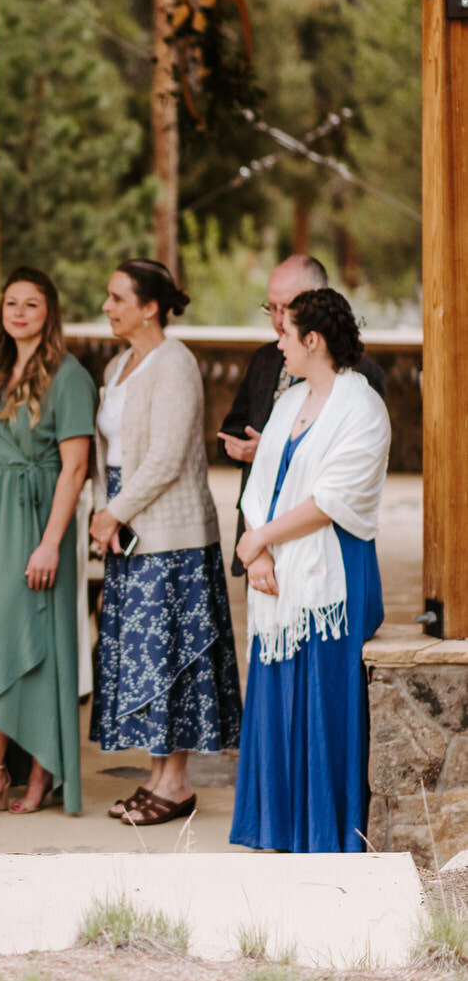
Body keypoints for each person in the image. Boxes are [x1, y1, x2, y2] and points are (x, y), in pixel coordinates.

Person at [229, 288, 388, 853]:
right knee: (275, 692)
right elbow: (264, 481)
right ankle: (278, 827)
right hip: (278, 564)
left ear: (313, 340)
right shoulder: (289, 400)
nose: (279, 342)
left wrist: (259, 540)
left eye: (286, 333)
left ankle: (322, 831)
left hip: (334, 575)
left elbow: (333, 499)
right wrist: (263, 550)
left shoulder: (362, 407)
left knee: (322, 698)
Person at [88, 259, 243, 827]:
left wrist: (113, 513)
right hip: (129, 532)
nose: (107, 307)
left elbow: (168, 458)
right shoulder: (118, 365)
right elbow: (115, 454)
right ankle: (156, 776)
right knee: (145, 659)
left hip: (172, 534)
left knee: (173, 656)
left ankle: (177, 782)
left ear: (149, 306)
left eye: (117, 297)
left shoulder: (175, 363)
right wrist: (109, 515)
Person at [0, 268, 95, 820]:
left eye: (30, 304)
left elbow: (77, 464)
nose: (17, 312)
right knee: (2, 639)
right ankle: (27, 765)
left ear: (49, 313)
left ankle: (0, 769)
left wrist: (50, 543)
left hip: (41, 516)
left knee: (38, 637)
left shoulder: (69, 375)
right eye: (10, 302)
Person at [217, 255, 386, 574]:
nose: (278, 321)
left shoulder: (361, 388)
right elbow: (231, 432)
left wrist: (274, 451)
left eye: (287, 307)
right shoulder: (272, 370)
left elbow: (345, 482)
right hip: (260, 545)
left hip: (324, 552)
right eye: (271, 308)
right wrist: (258, 544)